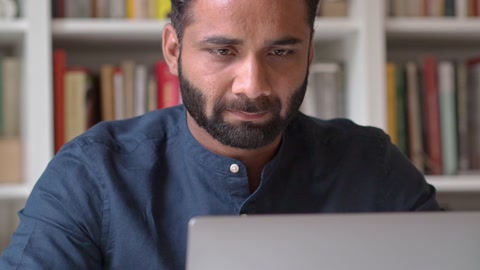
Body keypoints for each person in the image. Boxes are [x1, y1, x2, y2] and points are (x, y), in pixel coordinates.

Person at [0, 0, 441, 269]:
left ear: (310, 51)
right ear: (174, 51)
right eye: (223, 51)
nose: (253, 85)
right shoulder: (91, 174)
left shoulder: (372, 166)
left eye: (281, 51)